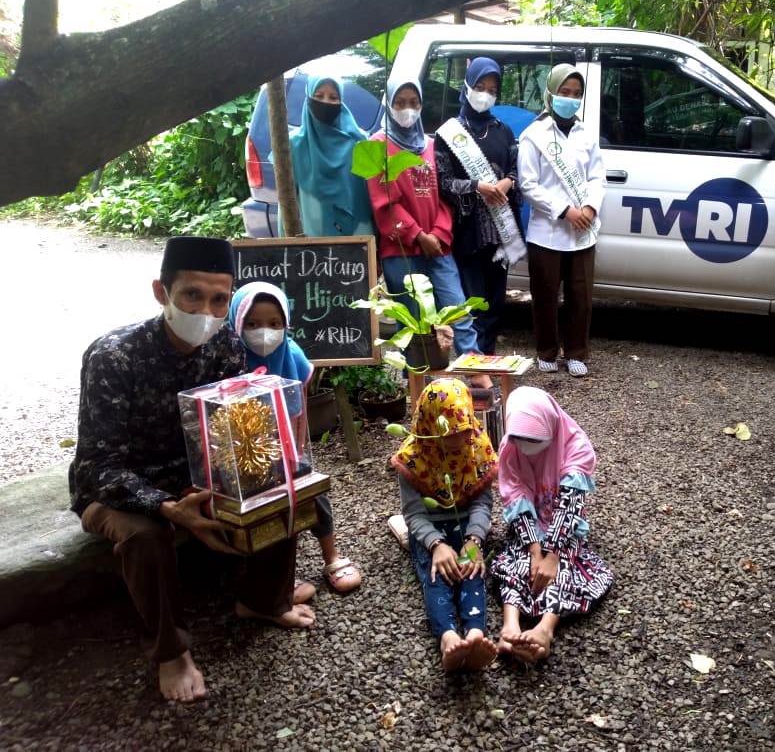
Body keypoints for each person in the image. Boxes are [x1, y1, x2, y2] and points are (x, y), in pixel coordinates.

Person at [69, 237, 315, 704]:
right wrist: (166, 506)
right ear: (162, 292)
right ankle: (171, 650)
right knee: (146, 535)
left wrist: (259, 468)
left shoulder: (224, 341)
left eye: (220, 298)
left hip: (196, 475)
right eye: (192, 295)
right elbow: (99, 465)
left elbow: (232, 426)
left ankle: (262, 599)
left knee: (281, 479)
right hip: (119, 489)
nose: (207, 309)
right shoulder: (113, 357)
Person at [228, 281, 363, 594]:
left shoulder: (292, 356)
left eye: (275, 324)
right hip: (242, 457)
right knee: (263, 511)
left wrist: (296, 451)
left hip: (287, 448)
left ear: (286, 323)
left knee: (313, 493)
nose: (265, 332)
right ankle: (278, 577)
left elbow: (298, 406)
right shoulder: (229, 361)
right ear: (237, 323)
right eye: (252, 324)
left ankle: (331, 555)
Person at [367, 78, 484, 367]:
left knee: (458, 310)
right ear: (389, 105)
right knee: (411, 324)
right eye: (400, 102)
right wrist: (418, 235)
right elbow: (384, 203)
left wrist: (438, 234)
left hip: (438, 247)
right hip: (402, 250)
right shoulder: (377, 147)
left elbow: (444, 195)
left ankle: (477, 372)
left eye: (414, 102)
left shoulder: (430, 145)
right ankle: (417, 385)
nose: (408, 109)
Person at [491, 386, 613, 661]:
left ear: (551, 427)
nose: (525, 446)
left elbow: (569, 506)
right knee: (517, 560)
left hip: (563, 527)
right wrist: (535, 550)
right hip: (530, 526)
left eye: (534, 439)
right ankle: (510, 627)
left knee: (564, 568)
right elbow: (516, 497)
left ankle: (545, 629)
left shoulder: (576, 447)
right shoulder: (511, 446)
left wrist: (552, 555)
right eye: (520, 438)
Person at [392, 378, 499, 671]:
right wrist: (436, 545)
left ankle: (476, 632)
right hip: (431, 532)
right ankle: (448, 637)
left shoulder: (476, 446)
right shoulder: (412, 458)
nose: (460, 439)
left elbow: (481, 502)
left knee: (471, 570)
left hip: (468, 529)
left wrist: (475, 540)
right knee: (436, 575)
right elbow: (414, 514)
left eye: (464, 429)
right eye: (450, 433)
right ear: (429, 430)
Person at [518, 64, 606, 378]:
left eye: (576, 94)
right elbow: (528, 184)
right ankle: (546, 351)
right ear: (551, 93)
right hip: (547, 231)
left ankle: (577, 353)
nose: (570, 99)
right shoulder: (534, 135)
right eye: (564, 92)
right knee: (544, 295)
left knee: (580, 296)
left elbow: (597, 177)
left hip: (582, 231)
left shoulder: (586, 135)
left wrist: (590, 209)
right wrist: (565, 210)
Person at [434, 57, 524, 355]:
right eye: (480, 86)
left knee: (496, 304)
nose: (485, 94)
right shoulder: (448, 135)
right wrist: (476, 187)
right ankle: (473, 366)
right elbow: (443, 183)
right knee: (472, 304)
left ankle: (488, 360)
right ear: (467, 86)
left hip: (499, 234)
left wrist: (508, 183)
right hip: (468, 233)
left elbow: (517, 171)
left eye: (492, 88)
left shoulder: (503, 130)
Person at [287, 75, 374, 237]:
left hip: (357, 236)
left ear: (341, 102)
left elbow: (370, 195)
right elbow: (286, 201)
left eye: (333, 97)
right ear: (308, 98)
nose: (326, 102)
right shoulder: (295, 144)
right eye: (319, 96)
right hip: (312, 237)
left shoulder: (358, 141)